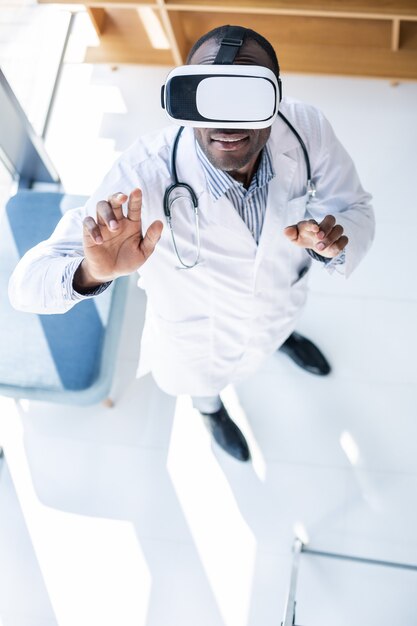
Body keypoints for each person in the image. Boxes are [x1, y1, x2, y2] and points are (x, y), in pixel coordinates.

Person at [9, 25, 374, 463]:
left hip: (281, 304)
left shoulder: (305, 129)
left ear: (275, 98)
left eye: (247, 99)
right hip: (199, 343)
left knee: (273, 328)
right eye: (210, 98)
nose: (226, 122)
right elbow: (24, 287)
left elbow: (354, 205)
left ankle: (283, 341)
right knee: (203, 387)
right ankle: (211, 412)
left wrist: (333, 242)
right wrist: (92, 273)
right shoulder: (144, 174)